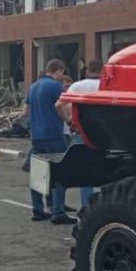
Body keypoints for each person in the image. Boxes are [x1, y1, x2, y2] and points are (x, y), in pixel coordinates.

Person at [25, 59, 76, 225]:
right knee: (59, 173)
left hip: (37, 136)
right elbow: (61, 106)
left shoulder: (33, 87)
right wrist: (68, 120)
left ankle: (38, 210)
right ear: (59, 71)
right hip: (53, 134)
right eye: (62, 73)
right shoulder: (55, 86)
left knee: (39, 174)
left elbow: (26, 110)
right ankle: (58, 211)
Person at [57, 58, 103, 207]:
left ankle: (86, 207)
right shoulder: (106, 85)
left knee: (86, 172)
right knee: (108, 170)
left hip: (81, 132)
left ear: (87, 70)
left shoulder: (77, 86)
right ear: (102, 70)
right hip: (105, 133)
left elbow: (59, 105)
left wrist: (69, 121)